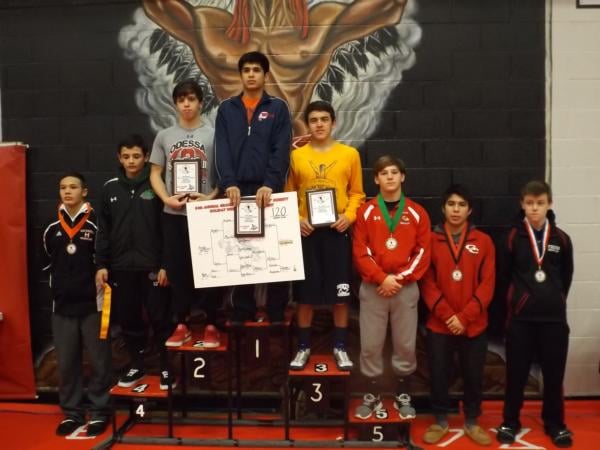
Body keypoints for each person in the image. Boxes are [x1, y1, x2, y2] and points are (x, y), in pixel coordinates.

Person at [142, 0, 408, 135]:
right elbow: (158, 6)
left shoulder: (322, 22)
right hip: (240, 151)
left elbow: (391, 6)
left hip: (295, 150)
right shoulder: (210, 27)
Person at [284, 100, 365, 371]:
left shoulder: (349, 154)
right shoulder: (295, 156)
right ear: (307, 125)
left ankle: (340, 347)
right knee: (305, 296)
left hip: (336, 232)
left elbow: (357, 194)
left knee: (340, 294)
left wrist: (349, 216)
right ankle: (303, 347)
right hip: (307, 234)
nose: (319, 124)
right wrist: (298, 220)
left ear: (333, 122)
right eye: (314, 120)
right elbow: (288, 196)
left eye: (324, 119)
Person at [214, 51, 292, 325]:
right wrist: (229, 183)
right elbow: (221, 150)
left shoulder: (278, 107)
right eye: (246, 69)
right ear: (240, 74)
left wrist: (271, 184)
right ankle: (242, 309)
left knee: (274, 250)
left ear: (265, 75)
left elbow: (281, 150)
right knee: (240, 250)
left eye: (256, 70)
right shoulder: (227, 109)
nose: (250, 74)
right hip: (237, 190)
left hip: (267, 191)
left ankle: (276, 311)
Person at [496, 181, 574, 448]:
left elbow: (566, 277)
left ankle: (555, 423)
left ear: (549, 204)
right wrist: (520, 302)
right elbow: (504, 278)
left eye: (540, 203)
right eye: (529, 203)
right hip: (521, 321)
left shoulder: (561, 239)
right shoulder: (511, 238)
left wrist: (553, 301)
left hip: (553, 321)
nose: (535, 209)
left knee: (554, 375)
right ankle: (510, 420)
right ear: (522, 205)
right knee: (515, 374)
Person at [352, 155, 431, 420]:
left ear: (402, 177)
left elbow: (423, 253)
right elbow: (360, 251)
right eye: (383, 173)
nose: (389, 177)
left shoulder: (417, 213)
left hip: (405, 288)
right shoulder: (365, 211)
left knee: (405, 345)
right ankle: (371, 395)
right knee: (370, 345)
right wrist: (380, 278)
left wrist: (399, 279)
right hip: (373, 287)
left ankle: (402, 395)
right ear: (376, 179)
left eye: (394, 172)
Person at [95, 135, 174, 390]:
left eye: (136, 156)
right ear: (119, 158)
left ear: (146, 156)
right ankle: (137, 365)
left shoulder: (157, 184)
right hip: (121, 268)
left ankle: (166, 368)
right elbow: (103, 231)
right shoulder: (110, 188)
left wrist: (165, 264)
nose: (131, 161)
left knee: (161, 319)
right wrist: (102, 264)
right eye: (126, 156)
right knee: (129, 320)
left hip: (152, 267)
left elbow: (167, 227)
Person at [419, 184, 495, 446]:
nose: (456, 209)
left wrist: (464, 317)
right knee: (438, 373)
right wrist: (447, 315)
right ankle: (439, 419)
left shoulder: (484, 242)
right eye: (451, 204)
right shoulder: (430, 239)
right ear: (443, 208)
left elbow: (488, 285)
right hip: (439, 324)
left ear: (469, 210)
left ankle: (472, 421)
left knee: (474, 374)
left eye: (461, 205)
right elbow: (426, 281)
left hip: (474, 324)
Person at [149, 79, 222, 351]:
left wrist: (211, 197)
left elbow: (224, 175)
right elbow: (155, 173)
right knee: (179, 270)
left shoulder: (215, 135)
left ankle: (212, 323)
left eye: (191, 99)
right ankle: (182, 323)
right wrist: (166, 197)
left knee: (210, 270)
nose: (187, 104)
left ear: (200, 102)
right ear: (176, 103)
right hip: (174, 213)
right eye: (181, 100)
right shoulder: (164, 136)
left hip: (205, 211)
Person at [42, 173, 111, 437]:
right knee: (67, 362)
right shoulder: (50, 226)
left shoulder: (96, 223)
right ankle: (71, 412)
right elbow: (47, 261)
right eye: (62, 187)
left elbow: (104, 259)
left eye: (73, 187)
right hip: (62, 307)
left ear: (85, 191)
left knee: (99, 361)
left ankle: (100, 411)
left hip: (93, 305)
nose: (67, 191)